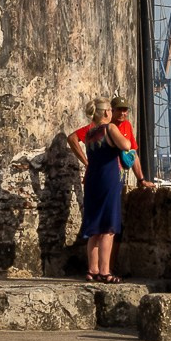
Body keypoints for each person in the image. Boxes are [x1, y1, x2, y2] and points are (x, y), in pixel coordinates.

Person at [69, 98, 130, 283]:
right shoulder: (109, 128)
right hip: (107, 179)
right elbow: (126, 146)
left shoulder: (90, 134)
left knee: (94, 228)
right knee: (108, 227)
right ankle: (105, 271)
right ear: (106, 113)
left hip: (92, 179)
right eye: (110, 110)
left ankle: (92, 269)